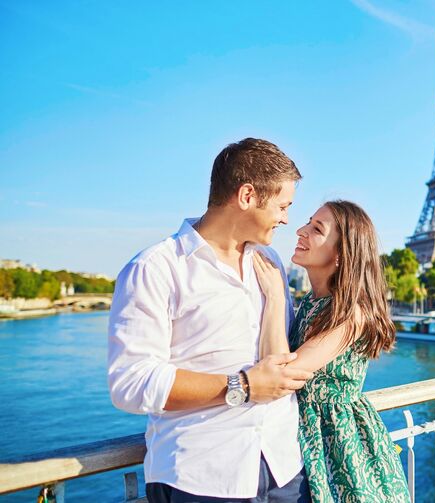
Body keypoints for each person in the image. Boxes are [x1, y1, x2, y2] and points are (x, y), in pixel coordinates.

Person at [107, 138, 314, 503]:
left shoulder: (270, 263)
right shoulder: (154, 269)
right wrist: (243, 385)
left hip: (285, 469)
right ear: (247, 196)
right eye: (282, 206)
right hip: (202, 479)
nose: (285, 219)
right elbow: (131, 383)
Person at [252, 200, 411, 503]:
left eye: (316, 229)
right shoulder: (312, 303)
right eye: (308, 222)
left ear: (340, 254)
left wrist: (274, 297)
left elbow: (283, 373)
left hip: (339, 446)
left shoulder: (353, 314)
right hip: (307, 438)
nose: (300, 230)